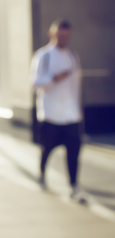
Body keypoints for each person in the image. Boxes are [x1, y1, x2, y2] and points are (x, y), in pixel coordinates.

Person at [32, 19, 85, 203]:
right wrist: (54, 78)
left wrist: (79, 112)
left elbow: (76, 87)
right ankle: (41, 175)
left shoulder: (73, 56)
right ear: (52, 34)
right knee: (47, 149)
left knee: (74, 152)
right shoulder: (43, 56)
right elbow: (35, 83)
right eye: (60, 35)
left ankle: (74, 186)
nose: (63, 38)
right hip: (51, 114)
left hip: (71, 115)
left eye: (66, 36)